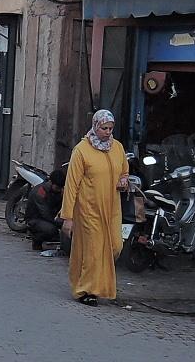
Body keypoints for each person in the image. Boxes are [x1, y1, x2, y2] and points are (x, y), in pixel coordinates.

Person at [60, 109, 129, 306]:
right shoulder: (81, 151)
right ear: (95, 126)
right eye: (104, 128)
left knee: (116, 245)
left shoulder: (117, 148)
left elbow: (124, 170)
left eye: (110, 128)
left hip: (112, 208)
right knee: (92, 250)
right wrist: (68, 216)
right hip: (88, 209)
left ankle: (97, 283)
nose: (108, 132)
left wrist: (123, 180)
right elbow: (72, 185)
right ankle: (86, 290)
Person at [26, 168, 67, 250]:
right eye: (58, 187)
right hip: (36, 219)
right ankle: (36, 240)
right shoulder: (40, 192)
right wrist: (60, 223)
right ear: (51, 183)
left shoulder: (58, 192)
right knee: (51, 230)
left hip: (49, 217)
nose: (60, 190)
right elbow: (45, 214)